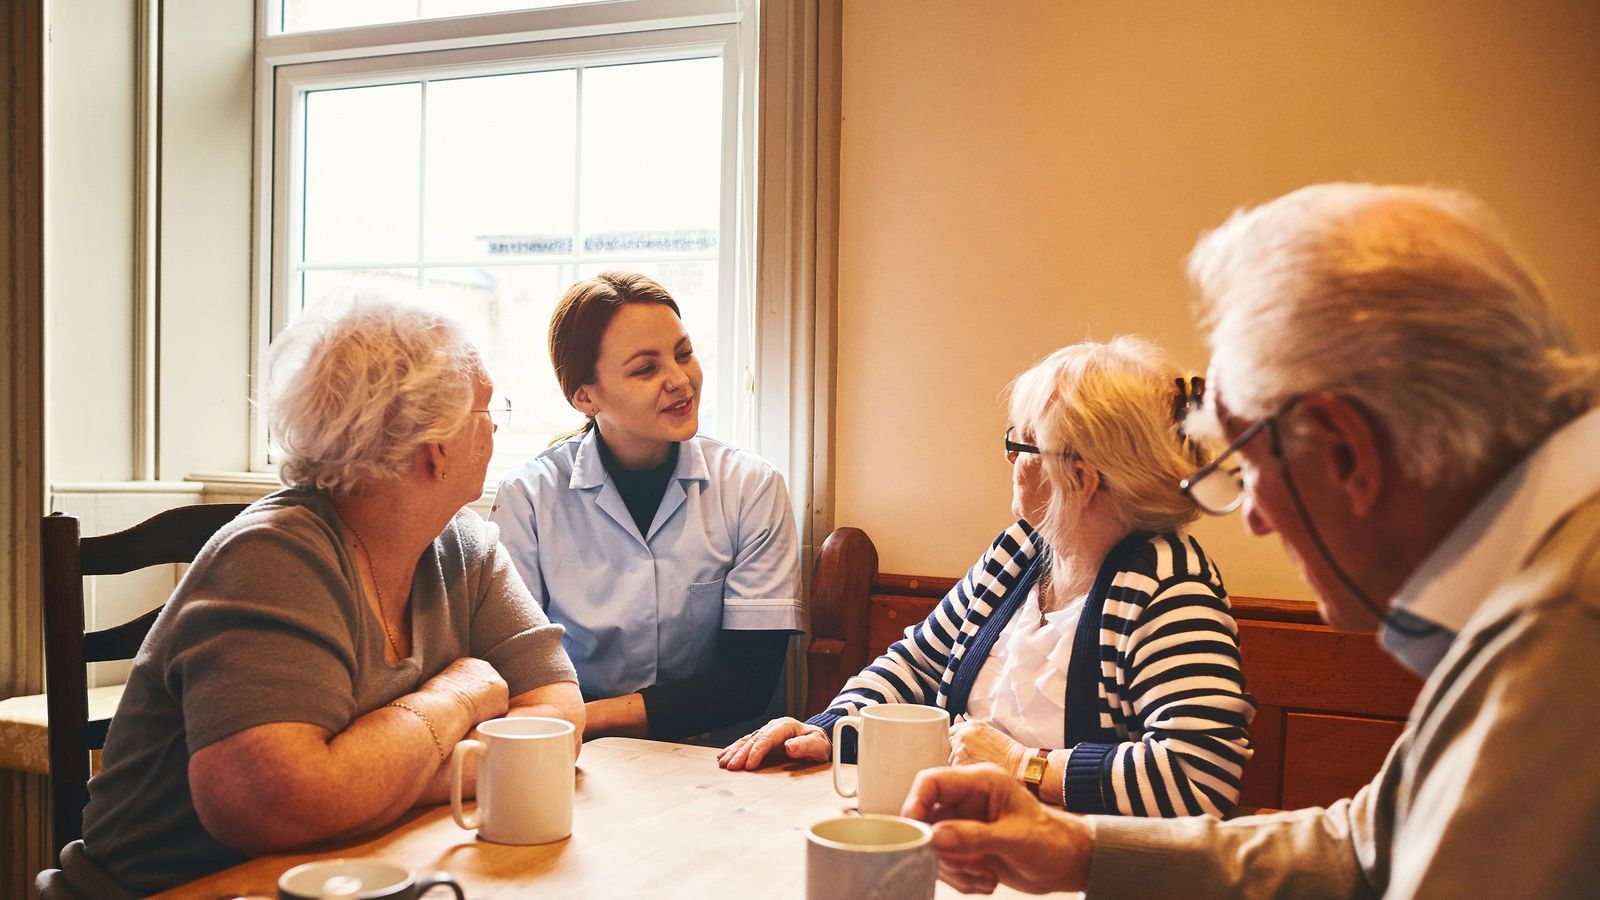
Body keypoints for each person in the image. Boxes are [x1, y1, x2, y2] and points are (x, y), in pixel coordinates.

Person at [902, 183, 1600, 897]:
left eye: (1248, 465)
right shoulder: (1532, 565)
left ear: (1345, 452)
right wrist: (1081, 846)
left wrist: (1037, 777)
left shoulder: (1568, 626)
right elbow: (1365, 845)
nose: (1254, 517)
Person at [60, 300, 583, 897]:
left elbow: (558, 716)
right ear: (434, 449)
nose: (494, 428)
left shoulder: (466, 544)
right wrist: (455, 695)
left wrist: (368, 780)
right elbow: (276, 805)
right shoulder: (270, 559)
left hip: (354, 871)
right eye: (489, 409)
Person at [721, 338, 1256, 819]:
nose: (1008, 457)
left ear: (1081, 478)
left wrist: (1023, 765)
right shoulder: (1019, 553)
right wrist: (831, 728)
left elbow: (1199, 775)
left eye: (1023, 445)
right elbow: (915, 664)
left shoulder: (1171, 589)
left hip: (1078, 868)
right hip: (976, 844)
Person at [490, 272, 803, 743]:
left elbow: (747, 684)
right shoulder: (529, 499)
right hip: (578, 761)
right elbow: (515, 670)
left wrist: (575, 720)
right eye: (645, 369)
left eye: (684, 354)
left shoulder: (751, 488)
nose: (680, 380)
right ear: (585, 395)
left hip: (714, 760)